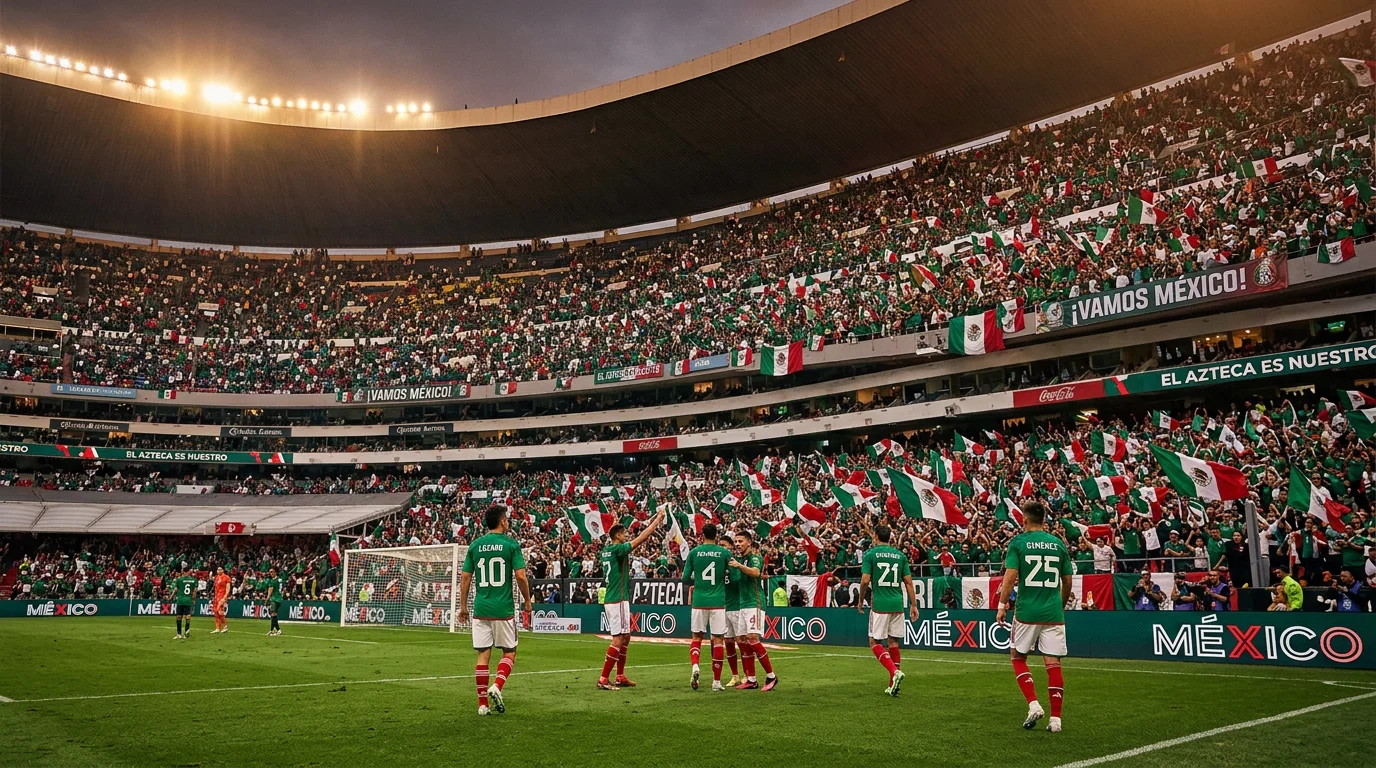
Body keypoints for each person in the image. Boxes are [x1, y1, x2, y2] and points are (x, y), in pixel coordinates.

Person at [995, 502, 1072, 733]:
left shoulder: (1018, 543)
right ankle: (1056, 720)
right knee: (1053, 663)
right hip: (1053, 612)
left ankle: (1034, 704)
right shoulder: (1058, 544)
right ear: (1044, 519)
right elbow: (1067, 580)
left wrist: (1002, 605)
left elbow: (1010, 576)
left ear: (1024, 520)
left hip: (1027, 611)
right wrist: (1060, 604)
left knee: (1018, 657)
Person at [458, 505, 533, 716]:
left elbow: (465, 577)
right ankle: (497, 686)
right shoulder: (510, 544)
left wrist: (463, 607)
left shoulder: (475, 545)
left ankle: (482, 704)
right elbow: (520, 576)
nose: (508, 522)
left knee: (483, 655)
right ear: (502, 522)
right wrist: (527, 600)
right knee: (509, 652)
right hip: (503, 609)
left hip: (481, 608)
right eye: (507, 519)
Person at [596, 505, 664, 691]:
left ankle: (620, 676)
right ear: (618, 536)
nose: (626, 536)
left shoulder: (607, 550)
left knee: (625, 637)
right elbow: (641, 539)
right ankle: (603, 679)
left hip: (616, 598)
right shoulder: (618, 549)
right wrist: (657, 520)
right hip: (617, 599)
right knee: (618, 639)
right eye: (624, 534)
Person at [858, 524, 919, 697]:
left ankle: (894, 672)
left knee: (874, 642)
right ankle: (892, 684)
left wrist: (861, 600)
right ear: (890, 537)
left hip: (880, 604)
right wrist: (913, 605)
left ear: (875, 536)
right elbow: (908, 582)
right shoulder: (900, 556)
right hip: (897, 604)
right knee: (893, 642)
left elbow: (864, 581)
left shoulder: (870, 554)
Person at [683, 523, 731, 691]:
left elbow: (685, 578)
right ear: (716, 535)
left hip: (699, 600)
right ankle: (716, 682)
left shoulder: (694, 552)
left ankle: (695, 665)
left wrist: (699, 583)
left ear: (702, 534)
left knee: (696, 637)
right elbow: (732, 575)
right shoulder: (724, 552)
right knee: (718, 639)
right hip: (718, 601)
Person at [728, 530, 777, 691]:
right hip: (742, 604)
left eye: (740, 541)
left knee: (752, 638)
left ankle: (771, 676)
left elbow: (756, 573)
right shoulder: (738, 561)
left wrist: (739, 566)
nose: (737, 544)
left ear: (749, 542)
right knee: (741, 641)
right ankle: (751, 679)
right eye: (736, 542)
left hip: (754, 603)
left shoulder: (755, 558)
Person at [721, 537, 742, 687]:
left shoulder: (736, 563)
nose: (721, 548)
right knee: (728, 642)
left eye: (724, 545)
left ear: (731, 547)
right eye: (719, 545)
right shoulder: (718, 564)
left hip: (737, 606)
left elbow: (738, 581)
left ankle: (749, 674)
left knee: (742, 642)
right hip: (723, 607)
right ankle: (735, 675)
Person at [172, 564, 197, 640]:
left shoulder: (179, 580)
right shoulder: (194, 580)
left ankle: (179, 634)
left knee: (179, 617)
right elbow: (195, 591)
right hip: (188, 600)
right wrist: (193, 599)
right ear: (189, 572)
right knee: (188, 616)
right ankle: (186, 632)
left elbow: (175, 590)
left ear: (183, 571)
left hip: (180, 600)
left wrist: (171, 596)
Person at [263, 567, 284, 636]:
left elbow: (270, 591)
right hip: (279, 599)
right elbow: (282, 589)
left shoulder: (272, 581)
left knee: (273, 614)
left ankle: (278, 630)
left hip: (274, 599)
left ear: (275, 572)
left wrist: (267, 599)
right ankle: (271, 630)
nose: (270, 573)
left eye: (272, 572)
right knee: (273, 614)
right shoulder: (280, 580)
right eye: (270, 572)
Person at [211, 565, 231, 633]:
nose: (218, 571)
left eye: (220, 569)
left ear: (223, 570)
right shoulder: (217, 577)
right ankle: (217, 628)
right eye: (218, 570)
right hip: (216, 596)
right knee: (215, 612)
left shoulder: (226, 577)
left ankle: (225, 626)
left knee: (220, 611)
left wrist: (225, 597)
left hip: (222, 596)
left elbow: (228, 588)